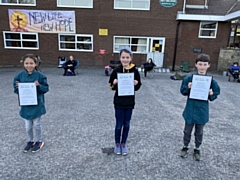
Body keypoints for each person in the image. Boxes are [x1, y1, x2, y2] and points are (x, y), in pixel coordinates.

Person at [179, 54, 220, 161]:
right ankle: (185, 146)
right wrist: (188, 88)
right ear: (196, 64)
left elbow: (216, 93)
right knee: (187, 130)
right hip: (190, 108)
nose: (202, 67)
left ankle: (197, 148)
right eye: (200, 64)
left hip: (202, 110)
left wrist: (211, 94)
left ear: (208, 65)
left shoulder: (211, 81)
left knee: (199, 131)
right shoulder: (189, 78)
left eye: (204, 64)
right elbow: (183, 91)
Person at [109, 46, 142, 155]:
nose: (125, 59)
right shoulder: (116, 70)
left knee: (127, 124)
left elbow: (138, 86)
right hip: (118, 102)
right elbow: (110, 86)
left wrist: (136, 84)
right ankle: (117, 143)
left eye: (127, 57)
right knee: (119, 124)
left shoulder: (135, 71)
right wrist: (114, 83)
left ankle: (124, 143)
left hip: (129, 103)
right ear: (120, 58)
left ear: (131, 58)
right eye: (123, 57)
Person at [13, 54, 49, 153]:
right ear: (23, 64)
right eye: (27, 63)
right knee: (28, 126)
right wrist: (17, 88)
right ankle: (30, 141)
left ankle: (38, 141)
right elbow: (16, 90)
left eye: (31, 63)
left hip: (37, 105)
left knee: (37, 125)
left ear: (35, 64)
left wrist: (39, 86)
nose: (29, 65)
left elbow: (46, 88)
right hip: (26, 105)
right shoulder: (19, 76)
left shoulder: (40, 76)